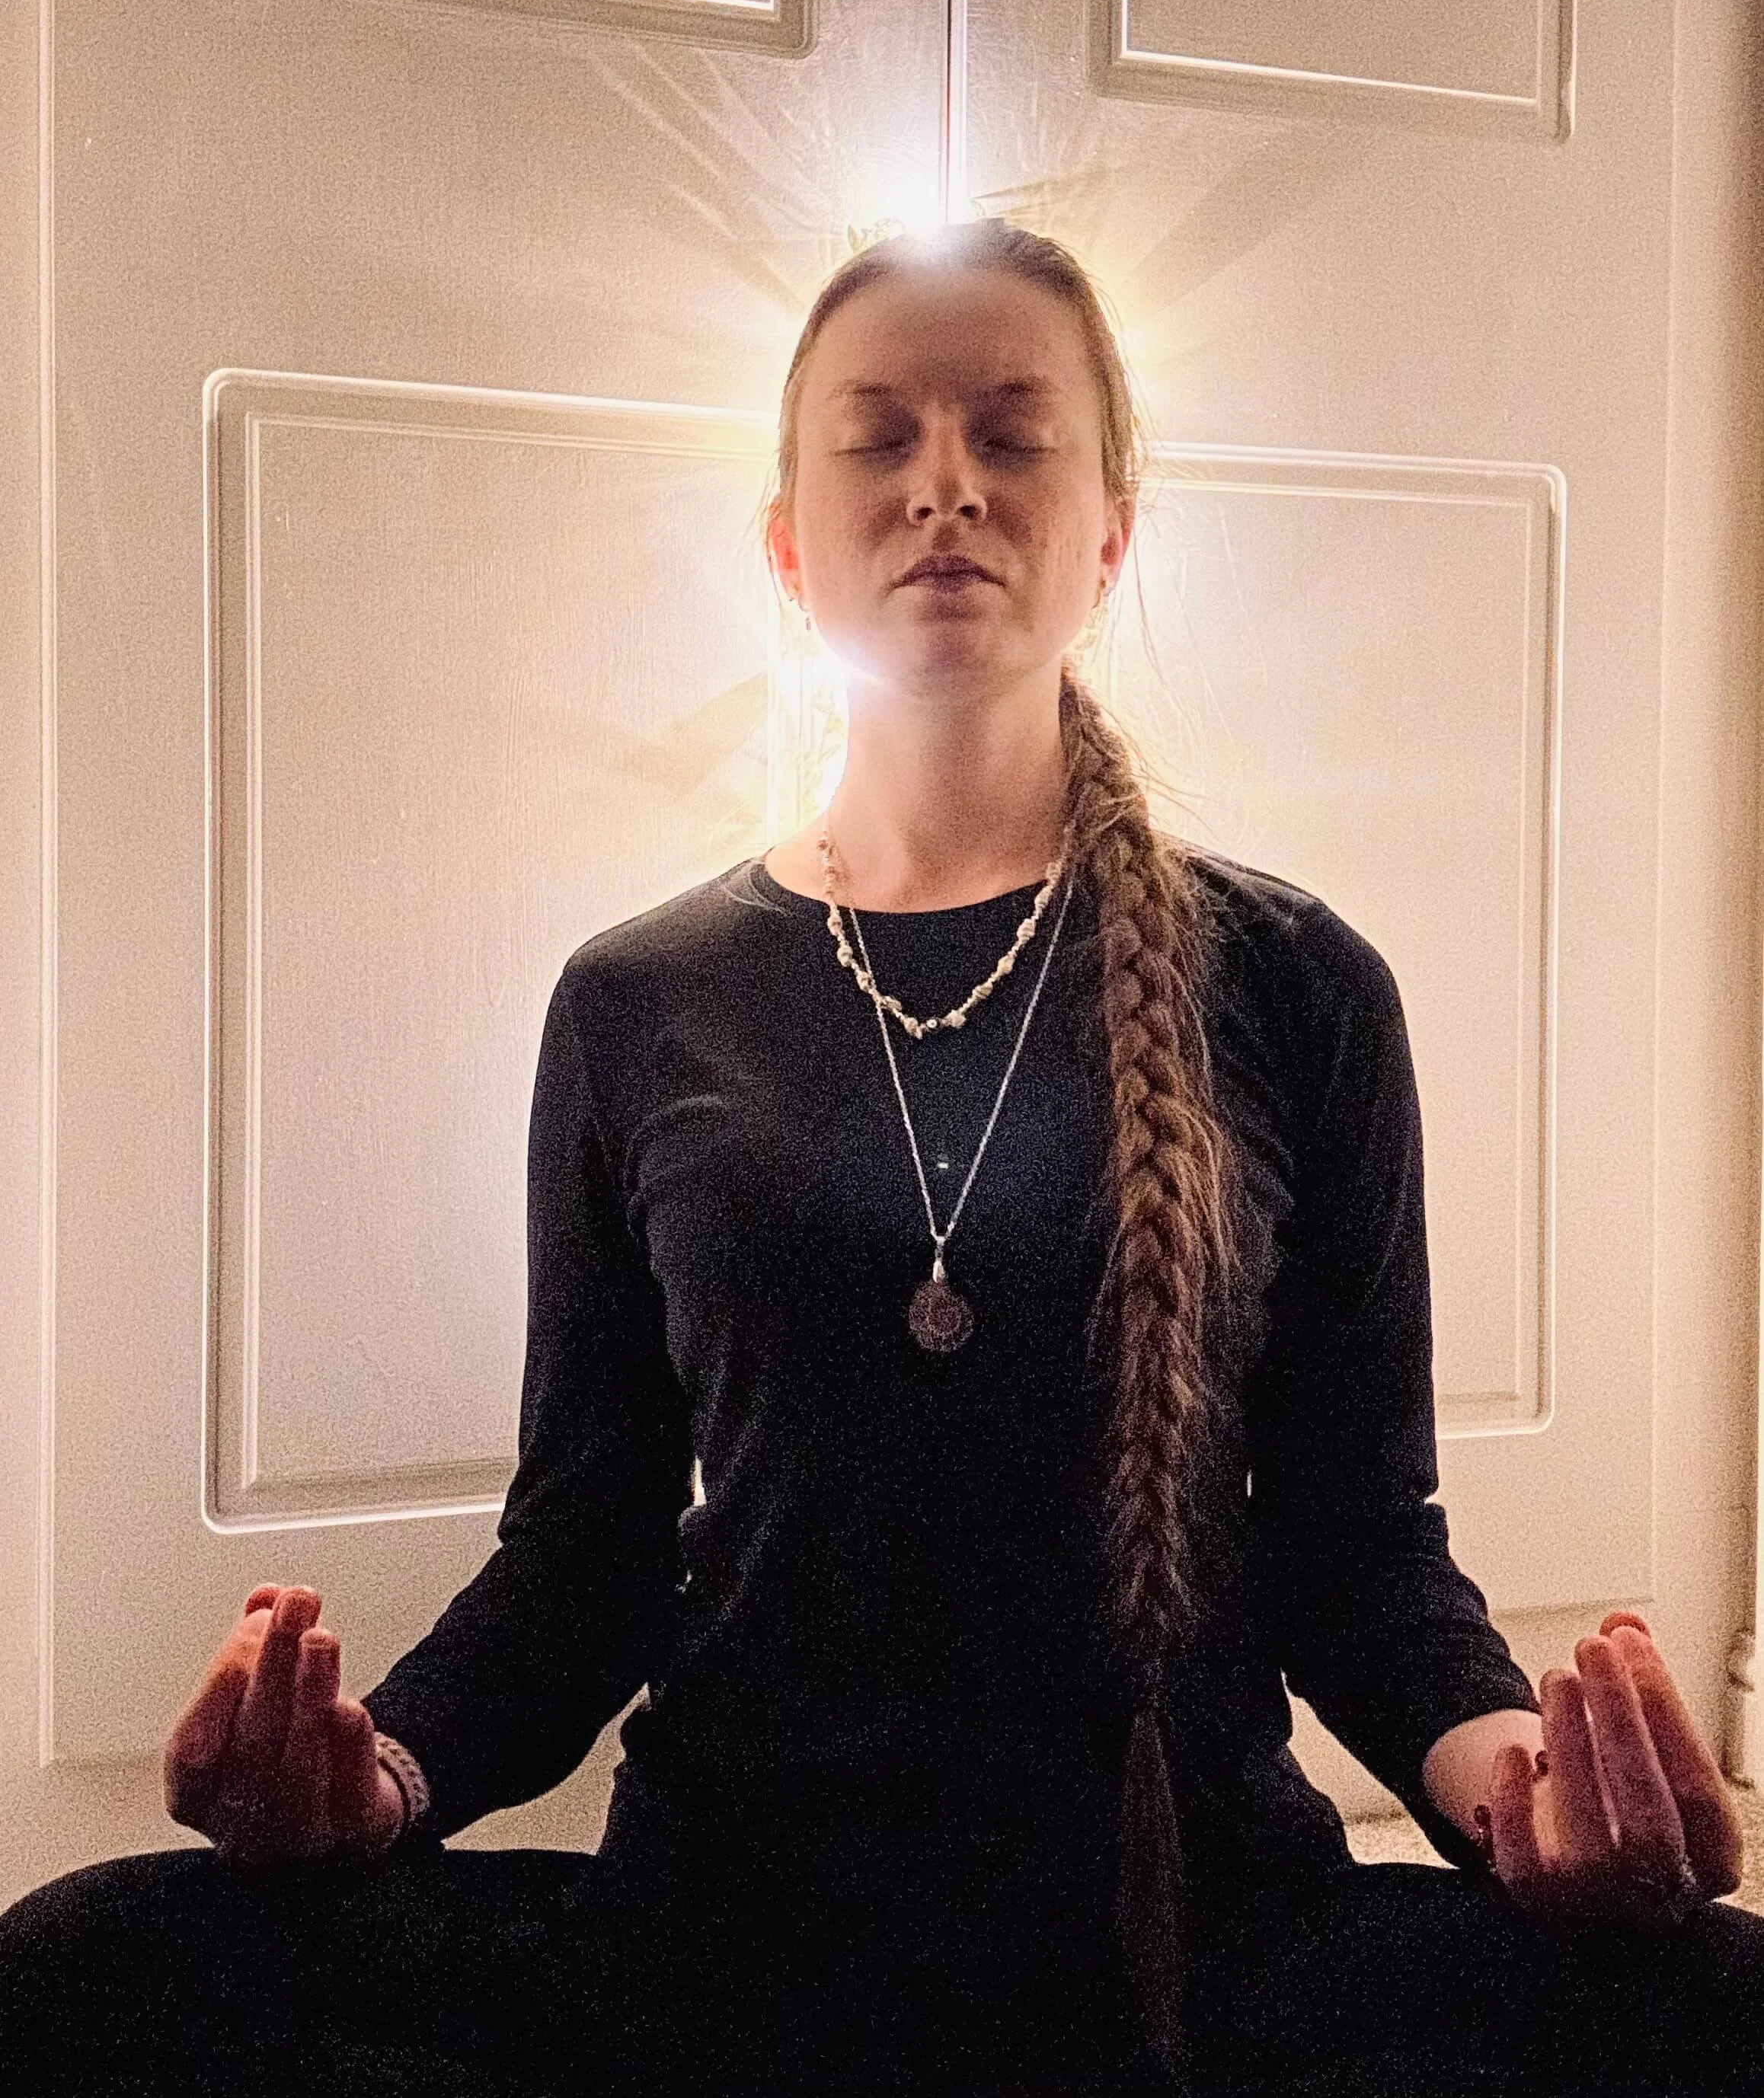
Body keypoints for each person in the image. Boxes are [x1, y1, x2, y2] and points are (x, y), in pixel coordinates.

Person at [2, 217, 1760, 2098]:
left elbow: (1361, 1553)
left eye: (1014, 435)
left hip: (1190, 1943)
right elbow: (577, 1561)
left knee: (1709, 2005)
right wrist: (383, 1778)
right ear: (785, 538)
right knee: (84, 1970)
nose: (946, 486)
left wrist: (1525, 1793)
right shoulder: (637, 1000)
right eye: (879, 439)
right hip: (726, 1949)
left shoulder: (1298, 984)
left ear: (1111, 533)